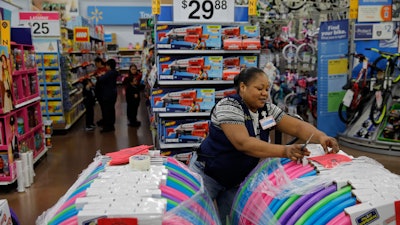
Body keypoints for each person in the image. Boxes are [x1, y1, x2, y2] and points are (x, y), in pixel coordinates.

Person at [188, 67, 340, 224]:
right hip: (208, 174)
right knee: (194, 218)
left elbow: (297, 127)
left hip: (235, 181)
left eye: (267, 89)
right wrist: (285, 151)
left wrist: (321, 137)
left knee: (232, 220)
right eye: (259, 88)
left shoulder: (267, 110)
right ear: (243, 87)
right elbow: (243, 143)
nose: (264, 93)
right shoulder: (229, 106)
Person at [97, 59, 119, 133]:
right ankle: (111, 124)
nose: (105, 67)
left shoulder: (109, 73)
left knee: (106, 111)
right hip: (113, 94)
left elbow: (101, 79)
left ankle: (107, 126)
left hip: (107, 95)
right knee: (111, 110)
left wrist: (100, 76)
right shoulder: (114, 72)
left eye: (106, 65)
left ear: (109, 66)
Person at [93, 57, 107, 127]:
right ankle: (104, 119)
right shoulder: (97, 70)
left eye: (96, 64)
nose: (95, 65)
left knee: (105, 106)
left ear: (99, 62)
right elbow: (94, 78)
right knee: (102, 106)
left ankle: (106, 120)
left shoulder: (106, 69)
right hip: (99, 91)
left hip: (105, 91)